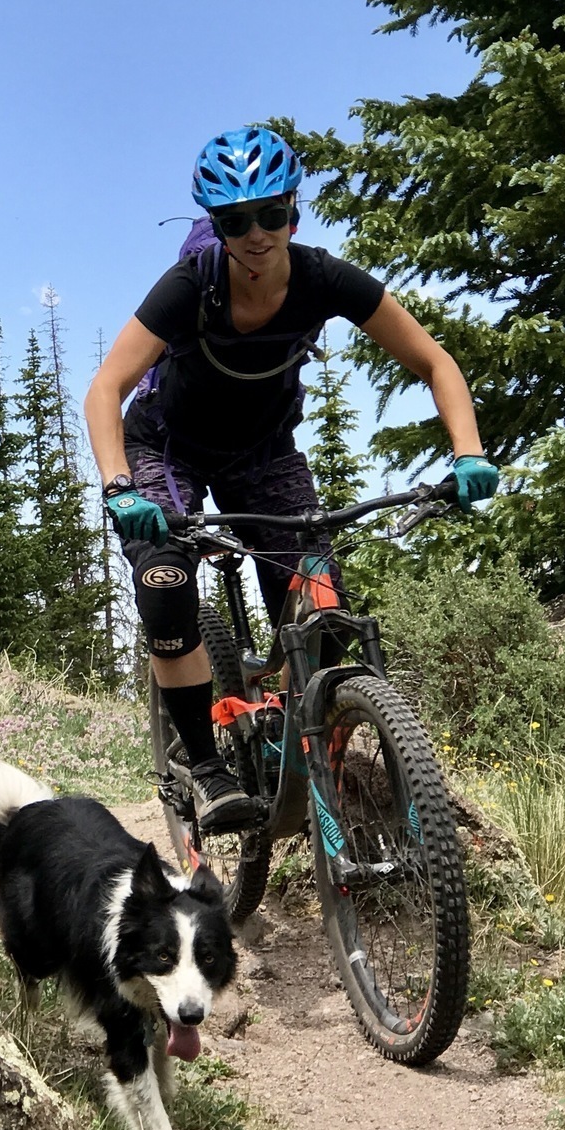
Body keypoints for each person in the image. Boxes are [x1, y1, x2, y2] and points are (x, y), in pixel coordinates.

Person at [83, 125, 498, 833]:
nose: (255, 233)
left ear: (293, 212)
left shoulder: (322, 279)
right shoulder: (192, 285)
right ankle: (208, 771)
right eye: (234, 221)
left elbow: (435, 361)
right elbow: (107, 388)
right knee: (165, 584)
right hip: (168, 451)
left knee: (321, 606)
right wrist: (122, 488)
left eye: (269, 213)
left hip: (263, 455)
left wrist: (468, 453)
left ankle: (280, 731)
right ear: (215, 226)